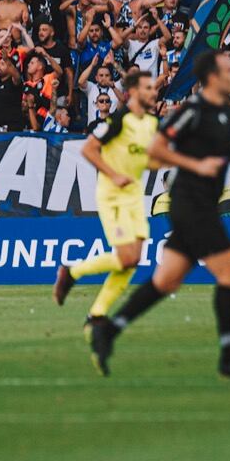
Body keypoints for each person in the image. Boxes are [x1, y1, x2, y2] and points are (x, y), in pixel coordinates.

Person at [90, 51, 230, 381]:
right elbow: (157, 148)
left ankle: (108, 331)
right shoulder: (194, 110)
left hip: (202, 202)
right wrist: (195, 165)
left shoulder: (226, 114)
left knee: (165, 281)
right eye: (228, 70)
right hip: (190, 201)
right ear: (212, 76)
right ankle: (229, 355)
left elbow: (217, 152)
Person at [52, 67, 157, 339]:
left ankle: (96, 315)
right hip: (113, 192)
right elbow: (88, 148)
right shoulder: (119, 120)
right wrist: (114, 174)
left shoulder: (150, 122)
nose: (154, 92)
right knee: (127, 257)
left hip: (133, 195)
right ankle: (73, 272)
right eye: (148, 88)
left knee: (131, 261)